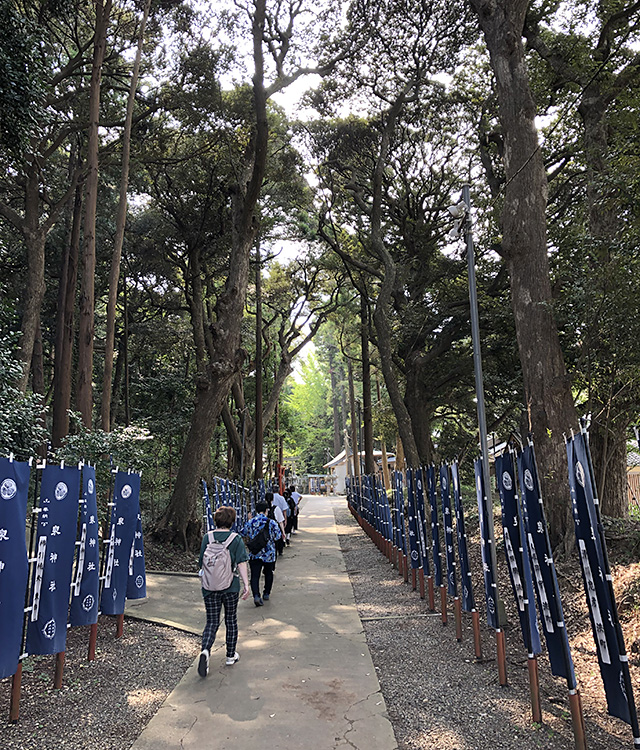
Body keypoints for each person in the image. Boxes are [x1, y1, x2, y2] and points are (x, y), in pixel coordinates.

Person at [197, 506, 250, 677]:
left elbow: (200, 563)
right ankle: (230, 655)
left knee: (211, 621)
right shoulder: (236, 539)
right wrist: (246, 585)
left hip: (209, 587)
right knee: (230, 619)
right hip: (230, 586)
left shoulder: (208, 537)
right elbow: (241, 563)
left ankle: (205, 650)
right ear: (231, 521)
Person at [242, 499, 282, 606]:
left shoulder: (251, 522)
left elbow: (243, 533)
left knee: (255, 575)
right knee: (269, 573)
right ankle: (266, 593)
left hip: (255, 553)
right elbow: (278, 536)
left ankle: (256, 595)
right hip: (269, 553)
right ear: (266, 510)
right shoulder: (271, 522)